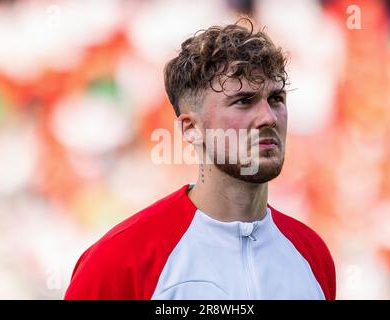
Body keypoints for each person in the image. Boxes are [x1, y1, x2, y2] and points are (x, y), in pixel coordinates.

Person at [64, 18, 336, 300]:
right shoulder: (120, 261)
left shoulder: (312, 254)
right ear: (191, 128)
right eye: (243, 101)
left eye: (276, 99)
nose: (268, 117)